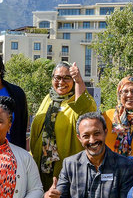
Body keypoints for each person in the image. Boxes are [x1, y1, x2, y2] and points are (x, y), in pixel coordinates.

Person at [29, 62, 97, 191]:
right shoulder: (48, 99)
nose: (61, 82)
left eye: (67, 78)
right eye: (57, 78)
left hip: (67, 170)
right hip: (42, 167)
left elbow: (86, 110)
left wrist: (79, 81)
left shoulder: (76, 102)